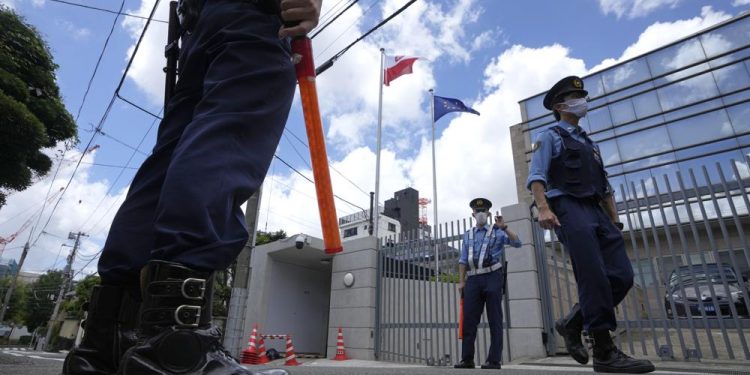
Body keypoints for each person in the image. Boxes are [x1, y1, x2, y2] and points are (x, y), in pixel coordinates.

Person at [62, 0, 322, 374]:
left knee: (170, 155)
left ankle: (107, 344)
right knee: (231, 122)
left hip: (198, 23)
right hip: (251, 12)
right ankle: (176, 348)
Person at [527, 76, 655, 373]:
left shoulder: (590, 143)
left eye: (582, 95)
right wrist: (543, 207)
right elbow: (536, 175)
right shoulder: (551, 136)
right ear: (560, 106)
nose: (582, 99)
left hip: (597, 211)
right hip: (569, 208)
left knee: (621, 276)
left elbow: (605, 184)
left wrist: (614, 220)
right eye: (575, 96)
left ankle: (571, 323)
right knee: (593, 275)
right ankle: (604, 351)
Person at [454, 198, 521, 370]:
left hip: (493, 276)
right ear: (473, 214)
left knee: (495, 319)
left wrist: (504, 227)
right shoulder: (467, 235)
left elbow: (517, 242)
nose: (480, 214)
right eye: (478, 211)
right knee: (469, 320)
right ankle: (467, 359)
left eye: (483, 211)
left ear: (489, 213)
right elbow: (462, 260)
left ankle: (494, 360)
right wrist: (461, 281)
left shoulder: (497, 231)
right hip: (473, 279)